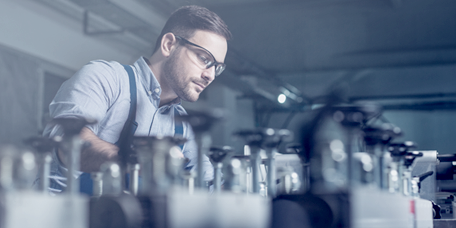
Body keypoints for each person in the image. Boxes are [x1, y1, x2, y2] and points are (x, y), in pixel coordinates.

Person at [42, 5, 232, 194]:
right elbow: (68, 143)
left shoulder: (183, 126)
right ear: (168, 45)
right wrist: (142, 160)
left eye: (217, 67)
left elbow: (211, 184)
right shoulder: (105, 78)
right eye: (203, 58)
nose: (211, 75)